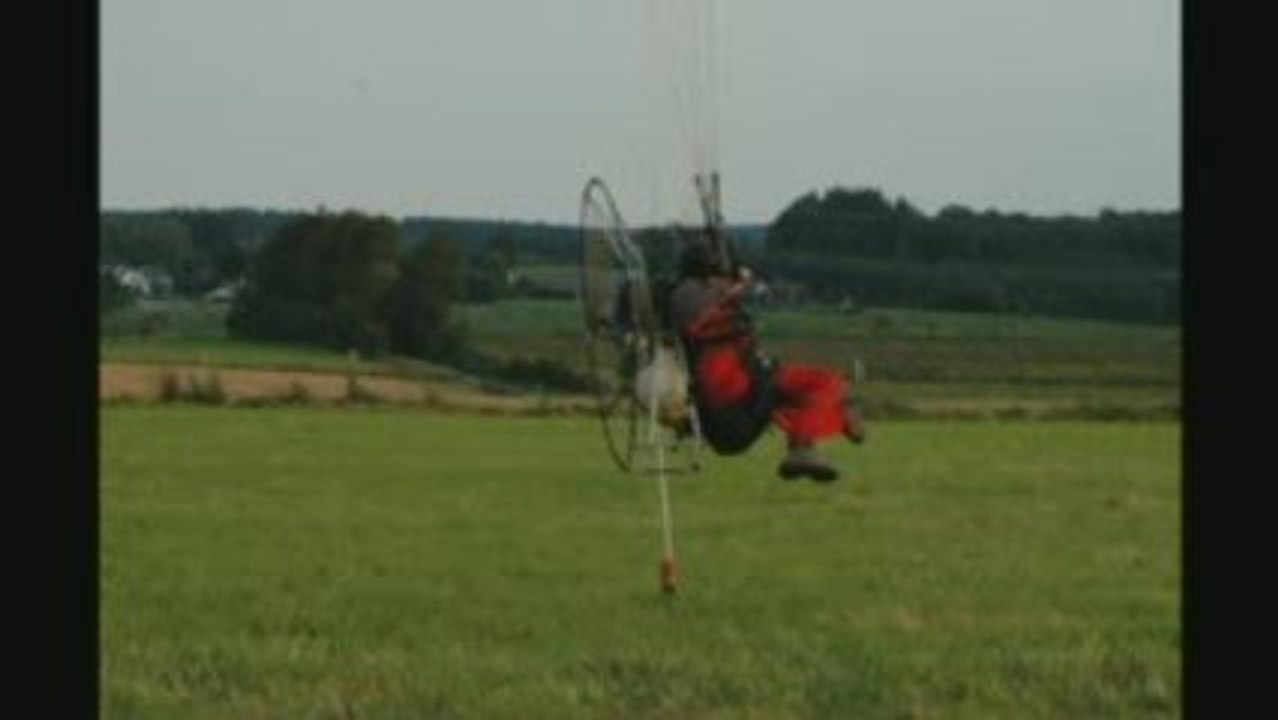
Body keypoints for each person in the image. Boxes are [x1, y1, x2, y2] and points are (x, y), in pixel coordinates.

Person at [666, 233, 866, 482]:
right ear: (710, 271)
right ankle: (826, 426)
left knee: (823, 383)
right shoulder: (690, 295)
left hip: (739, 399)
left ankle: (816, 434)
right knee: (797, 386)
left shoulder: (693, 296)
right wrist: (740, 285)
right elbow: (706, 314)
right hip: (732, 411)